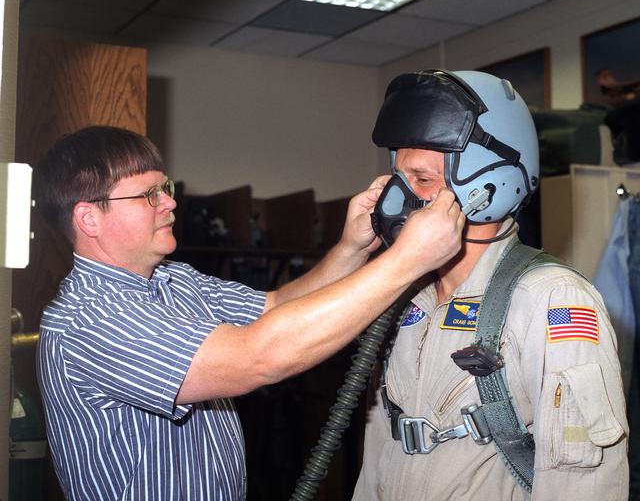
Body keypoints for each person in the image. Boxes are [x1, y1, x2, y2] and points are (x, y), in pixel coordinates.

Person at [33, 125, 464, 500]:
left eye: (166, 188)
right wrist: (409, 259)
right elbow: (257, 358)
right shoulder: (86, 320)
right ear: (89, 219)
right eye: (149, 195)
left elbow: (276, 306)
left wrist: (352, 248)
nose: (169, 203)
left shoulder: (174, 279)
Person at [353, 69, 628, 500]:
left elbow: (582, 482)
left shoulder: (553, 299)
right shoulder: (409, 301)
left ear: (490, 185)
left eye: (422, 180)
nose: (397, 199)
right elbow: (379, 449)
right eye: (398, 179)